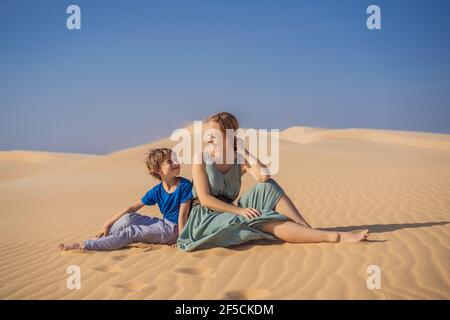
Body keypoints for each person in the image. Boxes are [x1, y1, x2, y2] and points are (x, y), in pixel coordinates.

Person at [177, 112, 369, 251]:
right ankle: (331, 237)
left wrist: (242, 150)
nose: (209, 137)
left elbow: (263, 176)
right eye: (208, 132)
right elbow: (205, 199)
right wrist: (240, 210)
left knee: (268, 187)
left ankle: (307, 230)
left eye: (215, 132)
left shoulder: (238, 158)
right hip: (206, 218)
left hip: (228, 210)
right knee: (255, 217)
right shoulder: (200, 158)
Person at [58, 148, 192, 251]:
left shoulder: (184, 185)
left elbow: (183, 215)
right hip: (163, 224)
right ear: (158, 170)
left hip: (175, 230)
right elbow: (131, 208)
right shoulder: (157, 190)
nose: (176, 163)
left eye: (176, 159)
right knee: (128, 218)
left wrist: (181, 240)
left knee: (131, 232)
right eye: (170, 161)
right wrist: (107, 224)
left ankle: (85, 245)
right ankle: (100, 238)